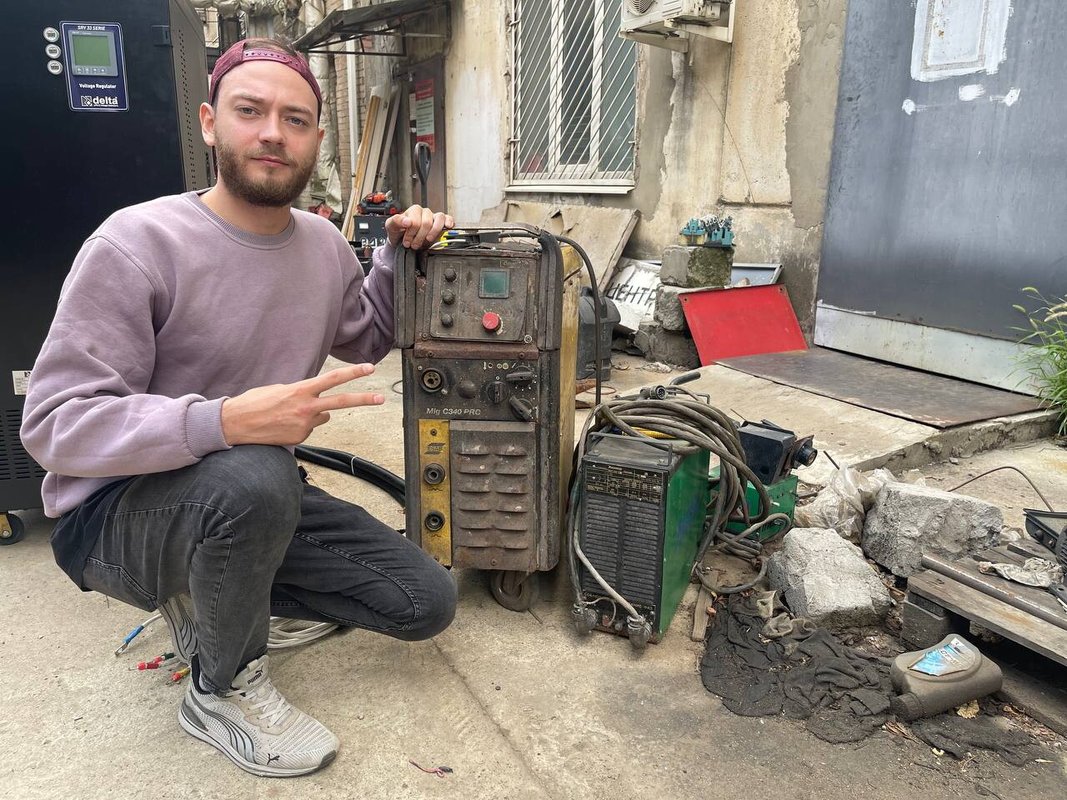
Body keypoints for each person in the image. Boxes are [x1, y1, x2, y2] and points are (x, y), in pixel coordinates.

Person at [20, 37, 457, 778]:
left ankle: (222, 594)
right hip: (114, 516)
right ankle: (220, 688)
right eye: (249, 111)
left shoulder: (322, 246)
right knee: (255, 476)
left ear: (316, 139)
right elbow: (54, 424)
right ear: (209, 123)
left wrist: (397, 253)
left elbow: (366, 335)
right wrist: (222, 421)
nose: (272, 134)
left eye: (295, 119)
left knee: (424, 601)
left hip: (250, 493)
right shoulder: (136, 242)